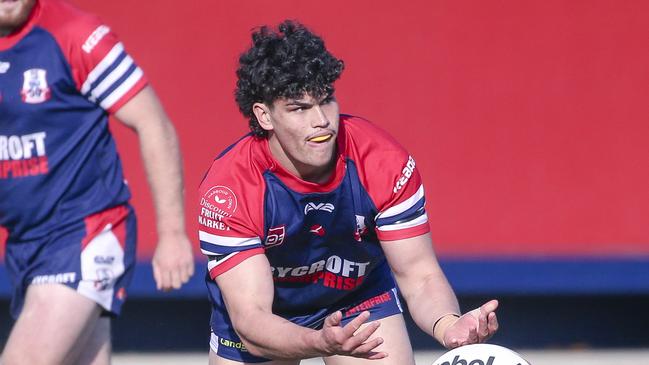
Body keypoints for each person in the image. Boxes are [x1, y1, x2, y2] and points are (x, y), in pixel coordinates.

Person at [199, 20, 499, 365]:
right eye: (299, 108)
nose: (321, 120)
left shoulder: (381, 161)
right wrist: (320, 341)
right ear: (264, 116)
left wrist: (448, 326)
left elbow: (419, 274)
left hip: (355, 298)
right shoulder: (230, 187)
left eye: (326, 101)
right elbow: (251, 320)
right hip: (269, 316)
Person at [0, 0, 195, 363]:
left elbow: (154, 123)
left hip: (86, 234)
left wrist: (171, 234)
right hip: (25, 247)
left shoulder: (75, 33)